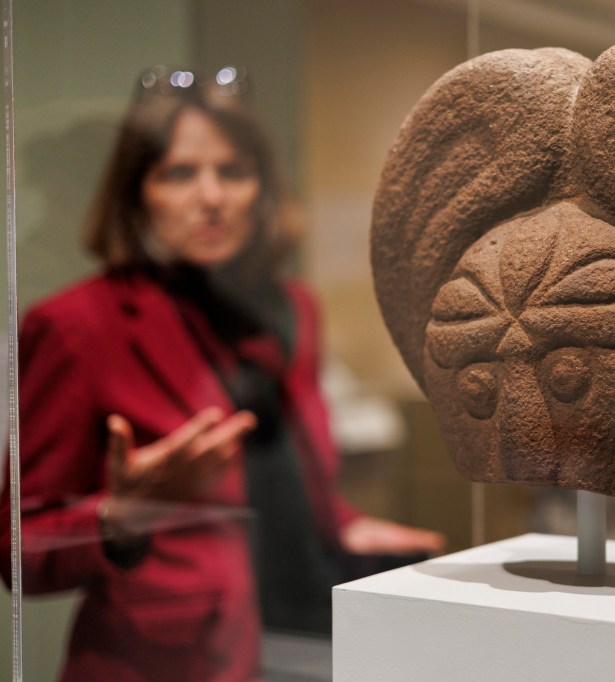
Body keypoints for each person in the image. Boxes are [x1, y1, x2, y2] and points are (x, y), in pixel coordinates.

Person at [0, 66, 444, 682]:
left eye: (232, 172)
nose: (211, 197)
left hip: (300, 641)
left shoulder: (290, 310)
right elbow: (18, 549)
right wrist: (120, 516)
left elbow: (279, 476)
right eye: (179, 173)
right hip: (161, 661)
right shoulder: (76, 325)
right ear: (136, 192)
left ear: (260, 188)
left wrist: (345, 526)